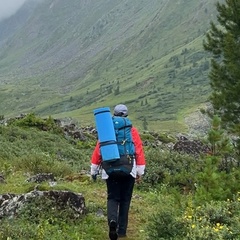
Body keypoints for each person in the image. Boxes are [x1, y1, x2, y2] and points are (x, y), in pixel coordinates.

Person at [91, 104, 146, 240]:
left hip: (109, 169)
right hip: (129, 169)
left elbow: (99, 150)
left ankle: (112, 222)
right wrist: (140, 170)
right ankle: (122, 231)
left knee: (112, 197)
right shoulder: (132, 130)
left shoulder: (107, 130)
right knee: (125, 200)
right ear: (126, 116)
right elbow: (138, 150)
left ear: (114, 114)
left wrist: (93, 169)